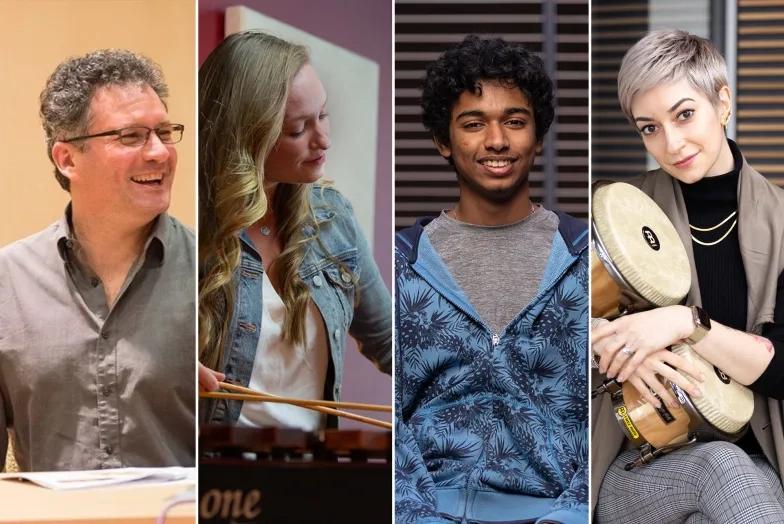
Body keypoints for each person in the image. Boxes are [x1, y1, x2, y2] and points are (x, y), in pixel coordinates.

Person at [591, 29, 784, 524]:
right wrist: (604, 343)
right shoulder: (615, 214)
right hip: (633, 461)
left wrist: (685, 323)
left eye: (684, 115)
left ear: (722, 102)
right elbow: (543, 336)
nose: (671, 143)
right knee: (719, 467)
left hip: (759, 463)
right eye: (649, 128)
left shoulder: (782, 221)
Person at [395, 35, 589, 524]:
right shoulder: (401, 261)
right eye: (474, 123)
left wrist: (572, 516)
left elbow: (614, 411)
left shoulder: (591, 259)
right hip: (428, 510)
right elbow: (388, 415)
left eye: (515, 122)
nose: (497, 141)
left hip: (556, 513)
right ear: (444, 140)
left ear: (538, 137)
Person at [0, 49, 196, 471]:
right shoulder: (6, 281)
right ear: (67, 159)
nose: (160, 152)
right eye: (131, 136)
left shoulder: (214, 272)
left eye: (165, 131)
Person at [197, 31, 391, 430]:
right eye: (298, 129)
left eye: (323, 114)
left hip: (311, 470)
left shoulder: (332, 216)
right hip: (220, 469)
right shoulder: (190, 226)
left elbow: (391, 342)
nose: (324, 140)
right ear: (246, 140)